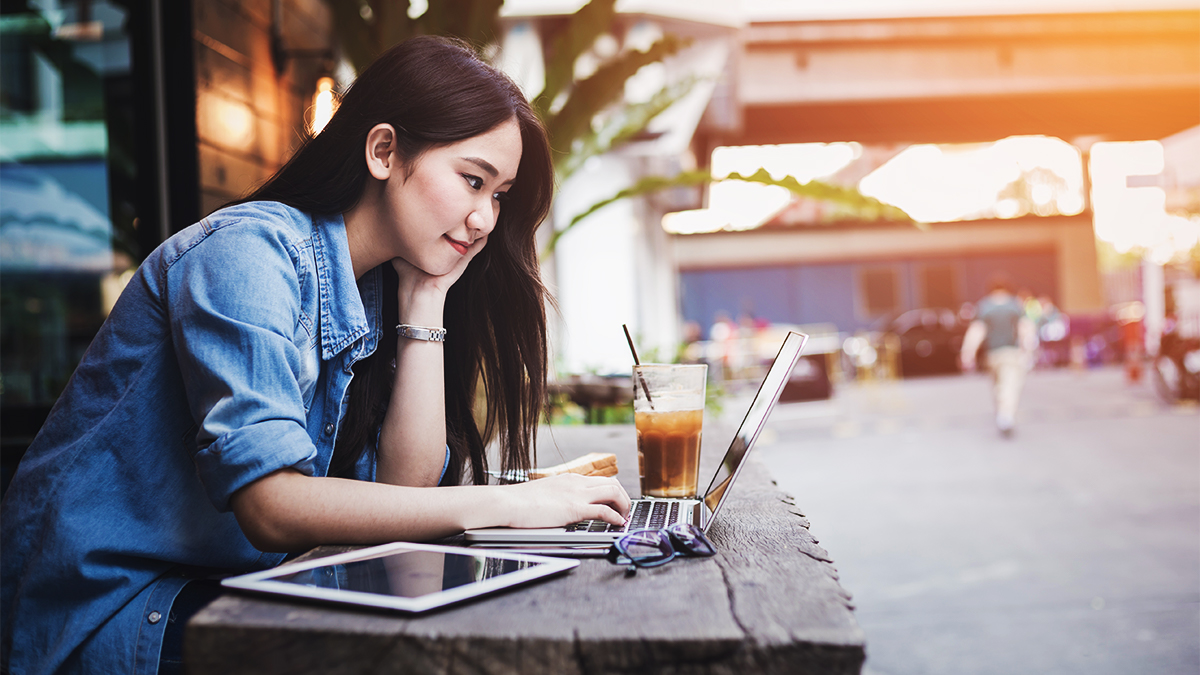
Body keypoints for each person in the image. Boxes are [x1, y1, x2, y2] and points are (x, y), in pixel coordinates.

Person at [1, 36, 630, 675]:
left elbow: (401, 495)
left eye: (499, 195)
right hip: (116, 612)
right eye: (473, 181)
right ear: (384, 151)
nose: (486, 219)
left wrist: (427, 300)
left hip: (229, 588)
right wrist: (508, 509)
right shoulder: (249, 256)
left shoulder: (384, 285)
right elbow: (271, 504)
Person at [960, 277, 1037, 436]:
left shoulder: (984, 306)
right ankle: (1006, 416)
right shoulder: (1014, 305)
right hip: (1011, 352)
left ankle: (1003, 414)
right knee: (1010, 385)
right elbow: (1025, 328)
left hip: (992, 354)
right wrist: (1028, 350)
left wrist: (967, 353)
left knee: (997, 387)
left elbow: (977, 331)